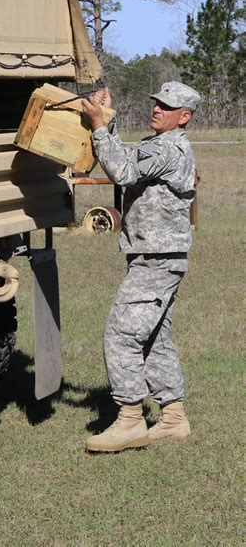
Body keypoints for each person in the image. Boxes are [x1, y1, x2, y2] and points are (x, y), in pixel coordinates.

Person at [81, 81, 201, 452]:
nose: (157, 109)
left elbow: (123, 172)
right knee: (153, 336)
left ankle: (130, 420)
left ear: (185, 117)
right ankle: (174, 418)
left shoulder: (171, 148)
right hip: (156, 256)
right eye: (156, 103)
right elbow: (129, 159)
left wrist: (99, 126)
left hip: (157, 260)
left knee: (121, 335)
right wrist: (110, 122)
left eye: (167, 106)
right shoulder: (158, 145)